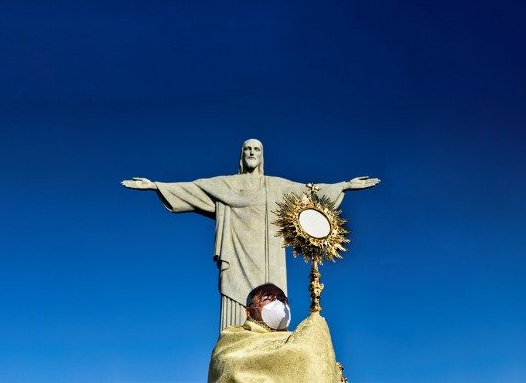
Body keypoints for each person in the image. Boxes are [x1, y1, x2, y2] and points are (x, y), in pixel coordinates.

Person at [121, 139, 379, 329]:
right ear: (241, 155)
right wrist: (156, 186)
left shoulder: (276, 187)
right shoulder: (227, 184)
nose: (252, 153)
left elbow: (310, 191)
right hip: (237, 256)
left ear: (262, 155)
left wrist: (344, 185)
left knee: (273, 304)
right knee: (237, 315)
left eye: (256, 149)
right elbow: (195, 189)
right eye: (247, 149)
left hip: (270, 261)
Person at [208, 284, 345, 383]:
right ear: (249, 312)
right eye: (267, 298)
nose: (278, 303)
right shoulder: (233, 338)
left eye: (282, 299)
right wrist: (315, 328)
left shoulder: (295, 338)